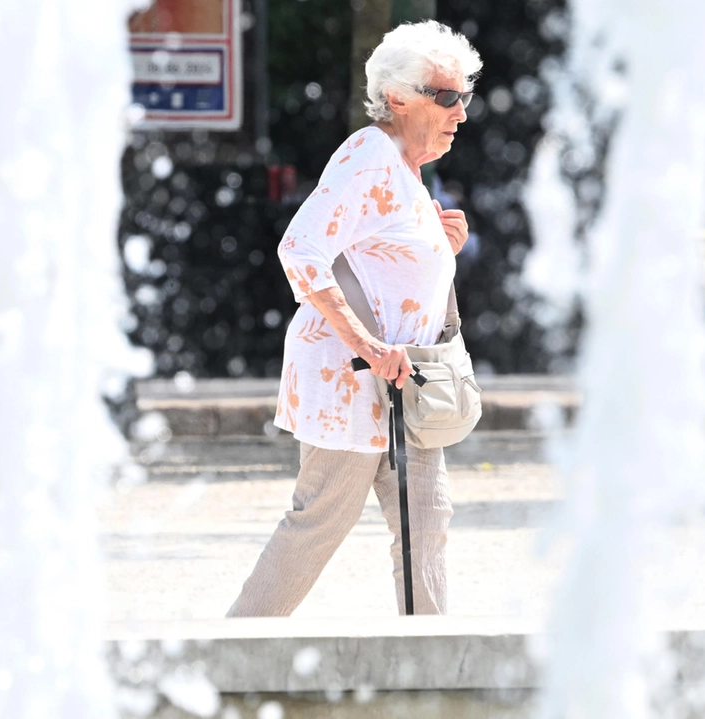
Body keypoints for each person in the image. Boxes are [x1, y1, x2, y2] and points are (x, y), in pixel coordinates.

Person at [226, 21, 480, 617]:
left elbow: (391, 270)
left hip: (405, 388)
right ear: (398, 98)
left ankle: (432, 666)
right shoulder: (370, 156)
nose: (460, 113)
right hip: (351, 380)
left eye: (463, 97)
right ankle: (232, 651)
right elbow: (300, 249)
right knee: (318, 525)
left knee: (427, 523)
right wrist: (367, 343)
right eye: (446, 97)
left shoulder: (408, 173)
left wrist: (446, 246)